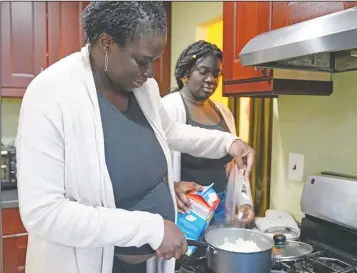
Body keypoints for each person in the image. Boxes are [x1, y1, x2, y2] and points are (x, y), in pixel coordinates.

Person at [16, 2, 255, 273]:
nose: (150, 73)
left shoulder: (144, 89)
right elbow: (44, 213)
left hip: (147, 263)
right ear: (106, 43)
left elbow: (171, 132)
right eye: (142, 61)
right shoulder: (51, 93)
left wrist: (227, 142)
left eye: (154, 61)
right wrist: (150, 229)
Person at [162, 42, 254, 267]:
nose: (211, 79)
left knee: (216, 264)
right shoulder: (168, 108)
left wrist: (244, 202)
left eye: (216, 74)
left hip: (221, 206)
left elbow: (235, 168)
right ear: (185, 73)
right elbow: (153, 162)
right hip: (187, 210)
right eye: (203, 71)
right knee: (184, 264)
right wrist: (169, 187)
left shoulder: (223, 112)